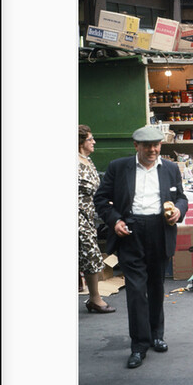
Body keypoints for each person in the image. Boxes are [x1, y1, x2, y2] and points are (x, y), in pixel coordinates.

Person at [93, 125, 187, 368]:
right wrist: (115, 221)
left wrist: (178, 210)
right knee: (135, 290)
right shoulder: (119, 167)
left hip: (160, 229)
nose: (153, 150)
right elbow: (101, 199)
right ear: (136, 146)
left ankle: (157, 334)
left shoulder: (170, 168)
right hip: (131, 231)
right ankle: (139, 344)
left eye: (157, 145)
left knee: (156, 286)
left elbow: (182, 198)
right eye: (147, 146)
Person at [78, 125, 115, 313]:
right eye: (90, 139)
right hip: (76, 215)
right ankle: (95, 298)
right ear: (80, 142)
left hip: (88, 214)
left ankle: (93, 298)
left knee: (88, 253)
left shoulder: (87, 160)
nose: (94, 142)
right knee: (91, 252)